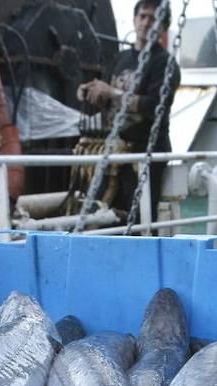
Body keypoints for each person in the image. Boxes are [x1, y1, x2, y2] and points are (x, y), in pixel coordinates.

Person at [75, 0, 179, 230]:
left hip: (145, 154)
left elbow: (155, 106)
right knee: (104, 214)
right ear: (134, 19)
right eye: (142, 16)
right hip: (115, 153)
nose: (145, 23)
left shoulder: (165, 64)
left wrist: (111, 92)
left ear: (163, 27)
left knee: (141, 219)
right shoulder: (120, 59)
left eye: (153, 19)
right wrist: (92, 93)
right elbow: (108, 103)